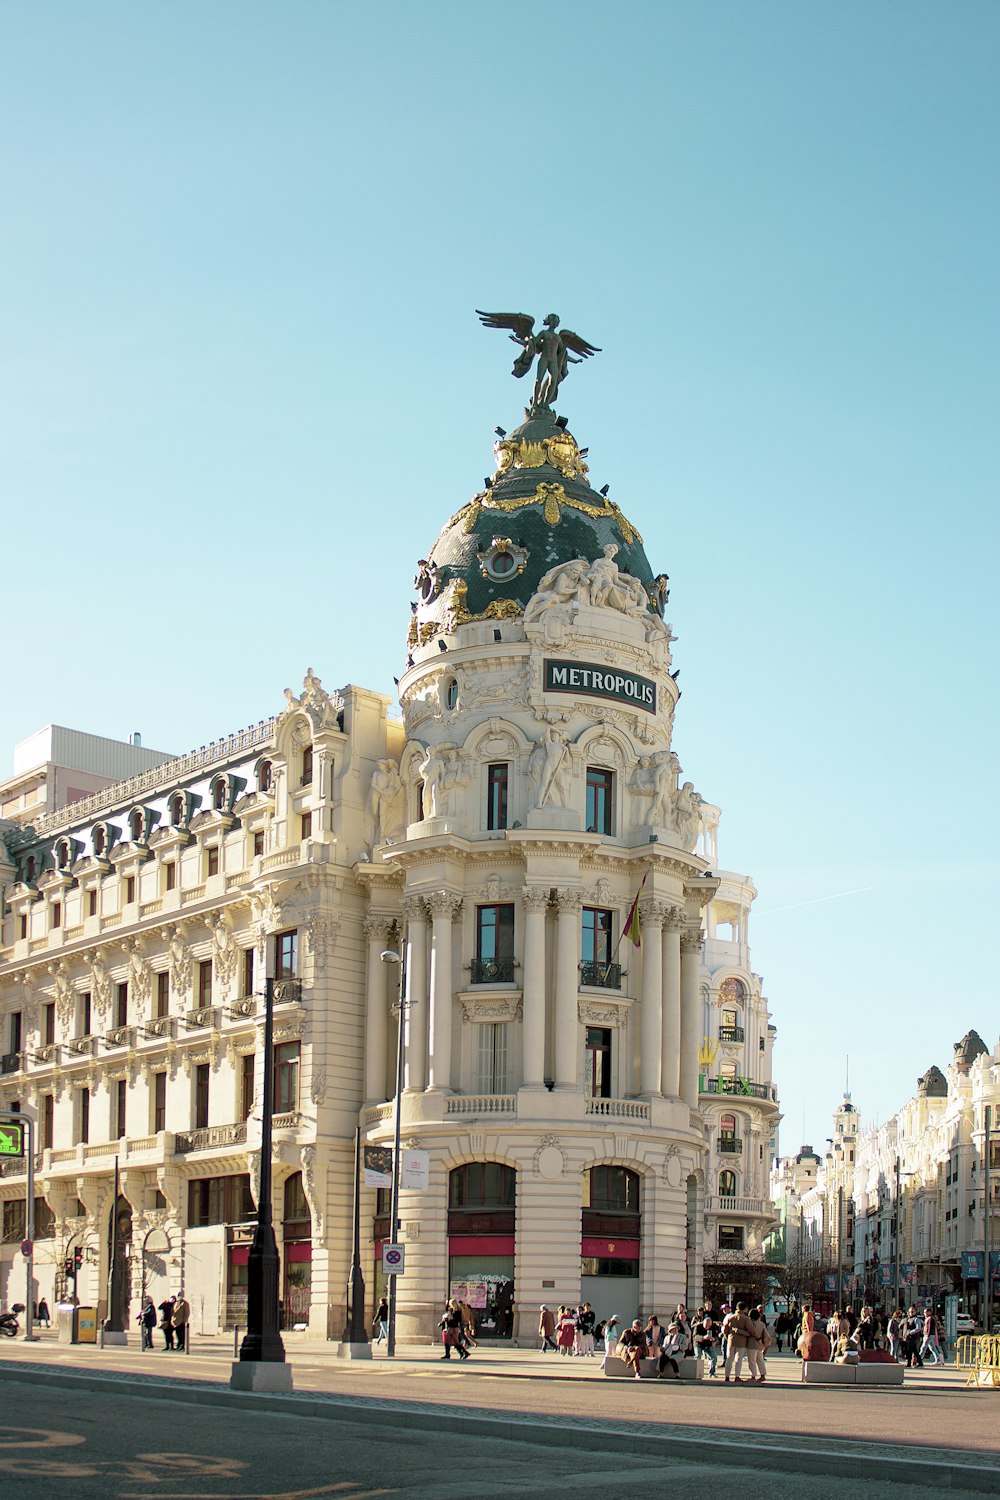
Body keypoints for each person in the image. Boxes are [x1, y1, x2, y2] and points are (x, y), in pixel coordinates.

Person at [724, 1302, 753, 1383]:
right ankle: (737, 1376)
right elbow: (750, 1331)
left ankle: (727, 1376)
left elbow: (725, 1330)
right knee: (738, 1360)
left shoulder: (731, 1317)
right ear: (744, 1309)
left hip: (731, 1340)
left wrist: (728, 1337)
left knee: (729, 1359)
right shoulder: (746, 1319)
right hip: (742, 1342)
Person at [747, 1306, 771, 1383]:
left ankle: (753, 1376)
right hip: (760, 1344)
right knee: (760, 1360)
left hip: (752, 1343)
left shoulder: (750, 1323)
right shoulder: (762, 1324)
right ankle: (763, 1374)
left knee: (752, 1361)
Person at [694, 1307, 718, 1377]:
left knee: (714, 1357)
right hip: (698, 1343)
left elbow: (716, 1337)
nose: (707, 1327)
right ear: (703, 1323)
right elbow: (695, 1337)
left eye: (709, 1326)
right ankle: (696, 1372)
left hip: (708, 1344)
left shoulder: (712, 1327)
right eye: (706, 1326)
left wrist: (713, 1339)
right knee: (698, 1356)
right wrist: (703, 1337)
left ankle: (712, 1372)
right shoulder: (698, 1326)